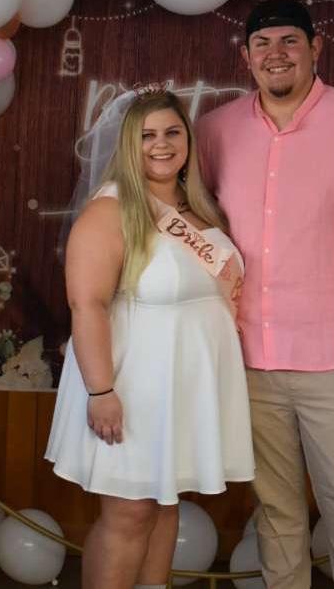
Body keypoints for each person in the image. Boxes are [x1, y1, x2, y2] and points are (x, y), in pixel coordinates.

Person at [197, 0, 334, 589]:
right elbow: (196, 230)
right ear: (246, 57)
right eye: (264, 45)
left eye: (290, 41)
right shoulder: (214, 131)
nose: (277, 55)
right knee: (275, 509)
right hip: (248, 358)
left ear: (316, 49)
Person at [46, 87, 254, 589]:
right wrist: (100, 391)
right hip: (129, 383)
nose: (161, 145)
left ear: (187, 139)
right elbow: (87, 305)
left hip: (179, 386)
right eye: (146, 136)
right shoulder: (111, 211)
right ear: (127, 145)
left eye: (171, 132)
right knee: (129, 514)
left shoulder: (197, 208)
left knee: (163, 505)